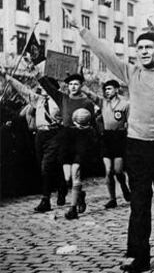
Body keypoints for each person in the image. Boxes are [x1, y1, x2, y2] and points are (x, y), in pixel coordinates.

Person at [66, 10, 154, 272]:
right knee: (139, 202)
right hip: (137, 147)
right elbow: (105, 53)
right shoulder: (131, 73)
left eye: (149, 47)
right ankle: (138, 256)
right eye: (140, 48)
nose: (143, 51)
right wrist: (81, 29)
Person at [1, 69, 66, 212]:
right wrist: (7, 76)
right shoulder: (39, 100)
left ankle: (46, 200)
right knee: (47, 167)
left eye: (44, 86)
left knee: (46, 166)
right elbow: (22, 89)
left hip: (54, 134)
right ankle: (62, 186)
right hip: (40, 136)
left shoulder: (60, 100)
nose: (41, 88)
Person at [38, 73, 95, 220]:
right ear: (67, 86)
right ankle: (80, 195)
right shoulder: (63, 98)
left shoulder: (87, 102)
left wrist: (85, 126)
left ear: (81, 85)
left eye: (76, 84)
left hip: (80, 139)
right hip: (66, 137)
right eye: (70, 84)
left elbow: (93, 124)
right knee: (68, 177)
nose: (73, 87)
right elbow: (47, 87)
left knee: (76, 174)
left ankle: (73, 209)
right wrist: (34, 70)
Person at [82, 80, 131, 209]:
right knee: (108, 171)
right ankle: (112, 199)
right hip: (106, 138)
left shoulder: (125, 104)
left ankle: (124, 187)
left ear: (116, 89)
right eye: (106, 89)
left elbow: (130, 122)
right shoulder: (103, 102)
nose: (107, 91)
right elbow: (90, 95)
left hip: (119, 137)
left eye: (109, 89)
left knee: (118, 171)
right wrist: (82, 86)